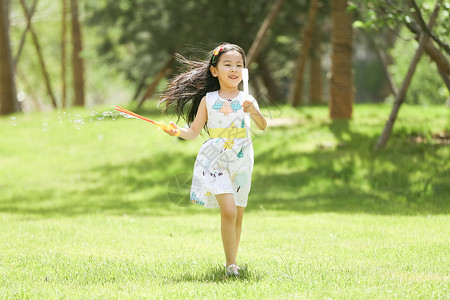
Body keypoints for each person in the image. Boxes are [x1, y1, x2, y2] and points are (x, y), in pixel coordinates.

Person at [160, 43, 267, 276]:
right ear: (214, 71)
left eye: (239, 65)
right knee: (228, 210)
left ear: (244, 71)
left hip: (241, 158)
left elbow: (263, 125)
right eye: (227, 64)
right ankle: (230, 266)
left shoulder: (247, 99)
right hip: (215, 159)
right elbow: (193, 132)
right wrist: (176, 131)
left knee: (238, 213)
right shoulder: (207, 100)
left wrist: (254, 112)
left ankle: (233, 260)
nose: (234, 69)